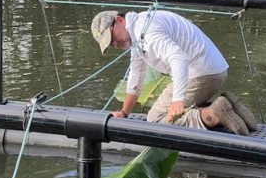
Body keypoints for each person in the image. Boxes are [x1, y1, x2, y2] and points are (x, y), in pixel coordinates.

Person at [90, 10, 257, 135]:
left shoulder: (147, 32)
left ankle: (213, 114)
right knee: (166, 112)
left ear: (120, 20)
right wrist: (124, 112)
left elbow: (178, 58)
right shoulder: (139, 29)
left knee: (156, 119)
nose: (115, 44)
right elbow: (136, 73)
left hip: (200, 73)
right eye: (110, 44)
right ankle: (230, 105)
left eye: (112, 37)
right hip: (214, 71)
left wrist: (178, 100)